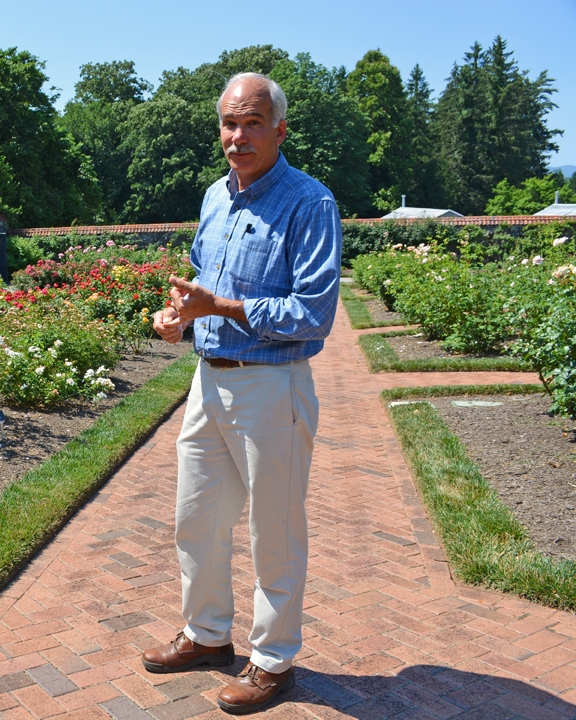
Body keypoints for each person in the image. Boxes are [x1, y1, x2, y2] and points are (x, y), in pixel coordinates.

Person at [142, 72, 342, 715]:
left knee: (273, 530)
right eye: (229, 123)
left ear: (280, 129)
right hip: (208, 383)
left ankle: (273, 659)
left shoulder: (309, 204)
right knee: (195, 518)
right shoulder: (214, 198)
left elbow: (313, 312)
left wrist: (220, 307)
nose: (238, 135)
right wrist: (181, 318)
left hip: (270, 387)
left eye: (252, 122)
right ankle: (206, 636)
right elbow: (203, 281)